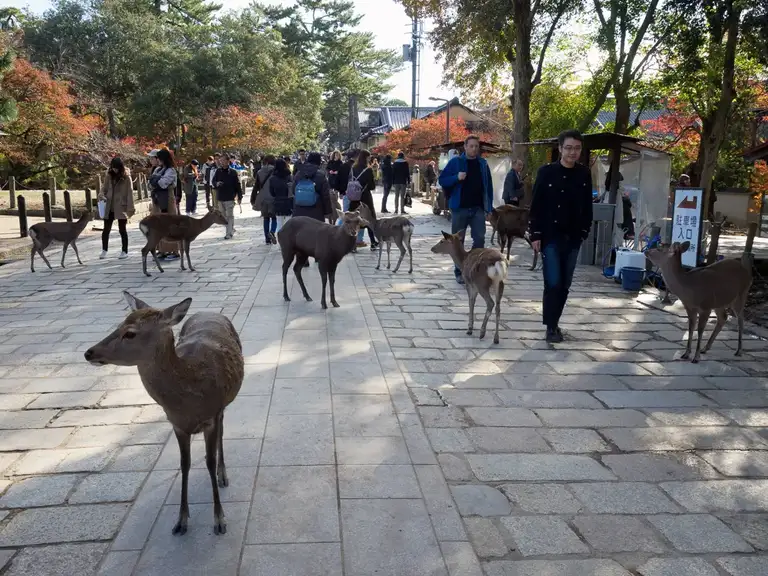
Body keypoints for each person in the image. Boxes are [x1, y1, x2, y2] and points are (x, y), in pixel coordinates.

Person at [529, 129, 593, 343]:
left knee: (565, 284)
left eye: (576, 148)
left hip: (573, 236)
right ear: (560, 149)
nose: (572, 152)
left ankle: (555, 322)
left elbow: (587, 205)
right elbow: (536, 205)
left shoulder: (584, 174)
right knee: (553, 282)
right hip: (550, 236)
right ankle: (550, 326)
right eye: (568, 148)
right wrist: (535, 234)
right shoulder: (546, 172)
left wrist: (585, 230)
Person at [438, 135, 494, 284]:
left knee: (480, 239)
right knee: (457, 241)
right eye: (471, 146)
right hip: (459, 209)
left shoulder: (482, 164)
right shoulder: (456, 162)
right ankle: (459, 271)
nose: (474, 149)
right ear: (465, 146)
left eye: (476, 146)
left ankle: (475, 269)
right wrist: (456, 177)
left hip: (477, 209)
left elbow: (488, 187)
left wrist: (489, 209)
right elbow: (442, 179)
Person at [98, 156, 134, 260]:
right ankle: (104, 250)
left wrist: (130, 208)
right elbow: (104, 188)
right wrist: (101, 194)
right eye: (113, 167)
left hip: (121, 206)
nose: (114, 169)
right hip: (109, 205)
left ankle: (124, 251)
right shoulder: (109, 175)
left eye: (116, 167)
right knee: (106, 229)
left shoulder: (126, 177)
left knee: (122, 229)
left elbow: (130, 193)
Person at [149, 148, 181, 260]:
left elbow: (162, 183)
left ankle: (174, 250)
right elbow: (150, 183)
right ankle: (162, 250)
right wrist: (155, 180)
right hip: (158, 199)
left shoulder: (171, 170)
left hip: (167, 199)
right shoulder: (158, 169)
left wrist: (155, 180)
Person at [349, 149, 379, 250]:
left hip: (354, 198)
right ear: (366, 158)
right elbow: (372, 186)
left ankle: (353, 244)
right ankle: (373, 242)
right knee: (369, 219)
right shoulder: (368, 170)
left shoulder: (353, 168)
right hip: (365, 197)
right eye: (369, 157)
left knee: (355, 220)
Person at [291, 151, 333, 223]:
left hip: (299, 211)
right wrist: (327, 211)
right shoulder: (321, 175)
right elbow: (325, 195)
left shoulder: (299, 173)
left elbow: (293, 190)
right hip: (316, 212)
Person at [213, 153, 243, 239]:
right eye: (220, 161)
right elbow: (213, 182)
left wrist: (239, 197)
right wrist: (217, 183)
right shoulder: (218, 171)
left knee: (230, 215)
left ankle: (228, 233)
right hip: (220, 197)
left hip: (230, 197)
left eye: (223, 160)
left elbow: (237, 185)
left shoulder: (233, 172)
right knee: (223, 216)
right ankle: (231, 229)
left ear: (227, 161)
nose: (221, 162)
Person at [264, 158, 293, 236]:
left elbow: (272, 193)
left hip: (278, 202)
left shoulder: (272, 178)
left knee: (279, 222)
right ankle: (288, 241)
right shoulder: (289, 176)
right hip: (288, 202)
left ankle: (280, 240)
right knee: (288, 222)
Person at [256, 155, 278, 243]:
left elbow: (257, 186)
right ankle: (272, 231)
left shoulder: (259, 172)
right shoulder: (276, 171)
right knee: (274, 218)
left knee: (266, 218)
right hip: (273, 197)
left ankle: (267, 239)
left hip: (263, 198)